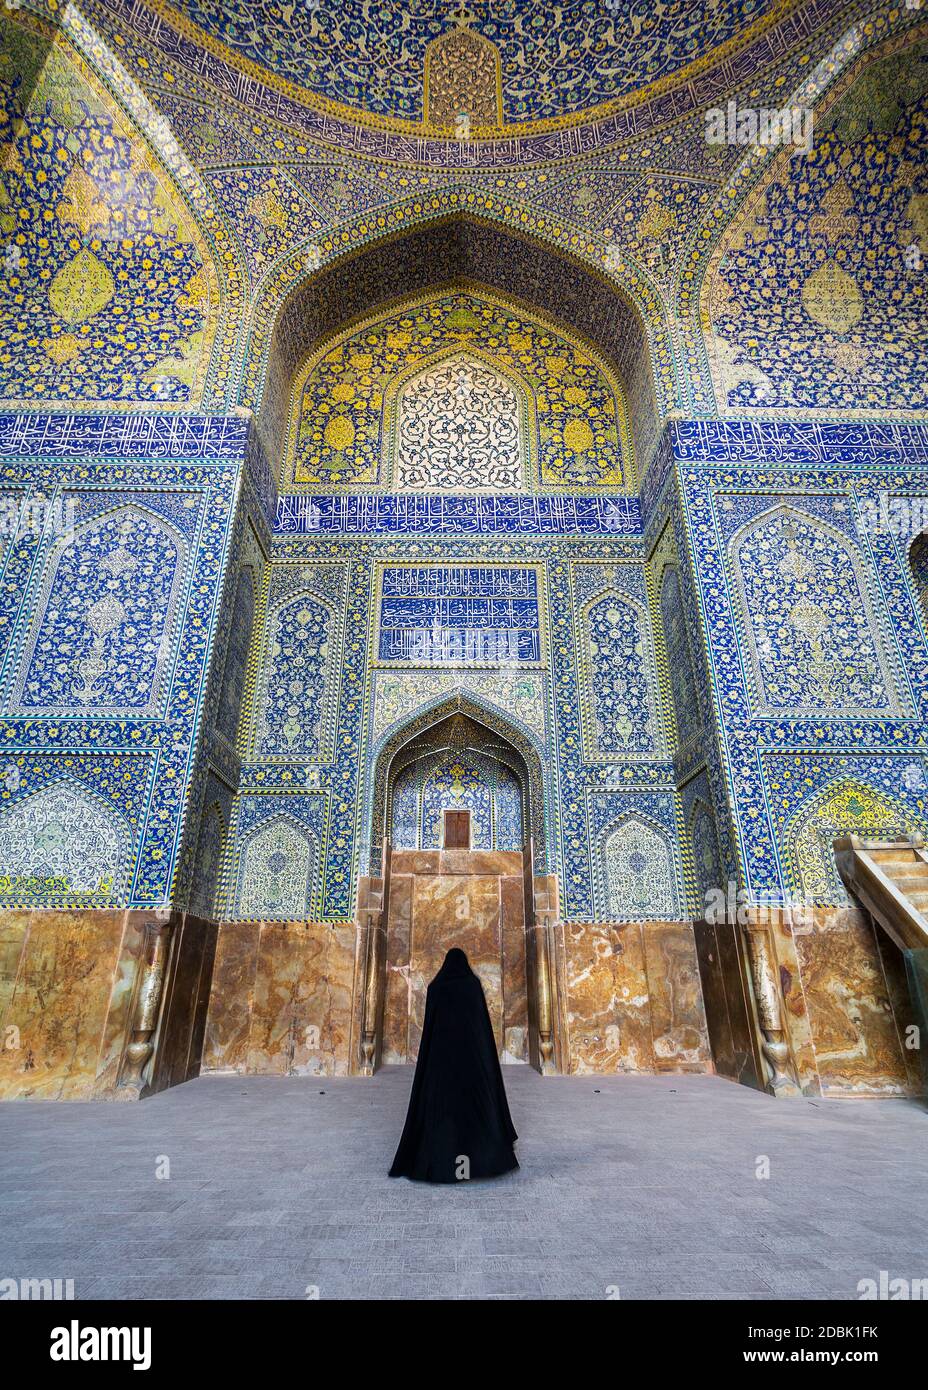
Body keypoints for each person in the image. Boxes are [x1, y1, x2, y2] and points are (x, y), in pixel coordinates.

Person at [388, 947, 519, 1183]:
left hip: (441, 1067)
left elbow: (430, 1032)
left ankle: (445, 1163)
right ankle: (475, 1164)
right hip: (472, 1066)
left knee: (443, 1113)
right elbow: (483, 1034)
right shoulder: (472, 986)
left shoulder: (436, 988)